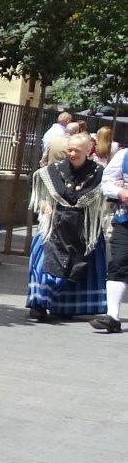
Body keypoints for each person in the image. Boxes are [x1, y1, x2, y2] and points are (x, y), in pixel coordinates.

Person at [27, 133, 109, 323]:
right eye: (69, 150)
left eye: (77, 151)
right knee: (41, 261)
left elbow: (107, 194)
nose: (72, 154)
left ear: (89, 150)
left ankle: (65, 306)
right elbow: (36, 181)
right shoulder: (54, 170)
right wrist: (44, 202)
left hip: (84, 228)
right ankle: (38, 303)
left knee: (81, 267)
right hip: (55, 225)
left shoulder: (99, 173)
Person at [93, 143, 127, 333]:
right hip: (125, 220)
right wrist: (120, 192)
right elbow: (106, 183)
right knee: (118, 263)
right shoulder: (124, 155)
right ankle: (112, 317)